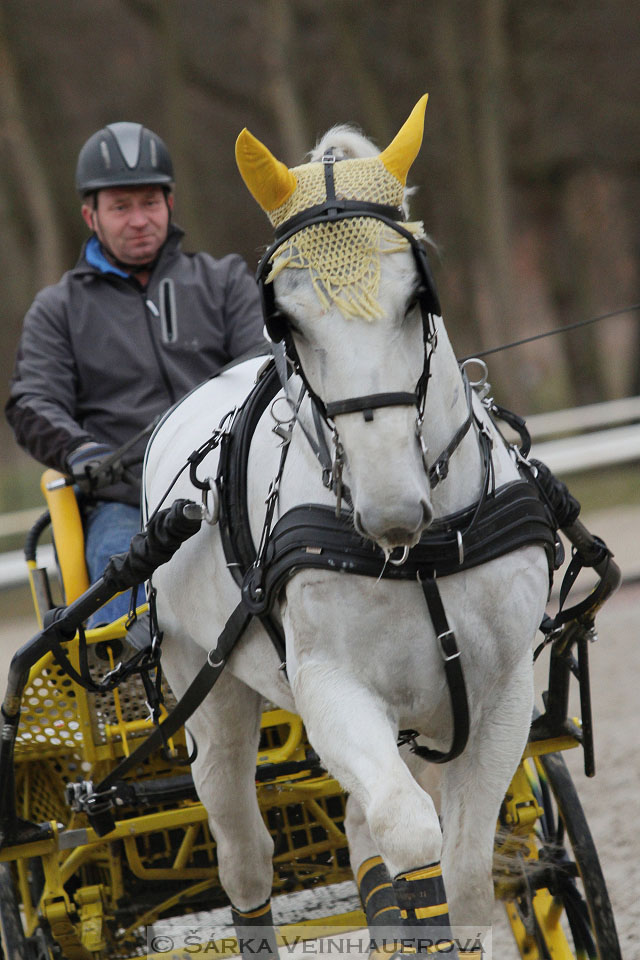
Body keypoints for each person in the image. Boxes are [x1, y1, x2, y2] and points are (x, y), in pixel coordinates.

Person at [6, 122, 265, 630]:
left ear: (170, 203)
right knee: (119, 576)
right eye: (121, 207)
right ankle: (143, 686)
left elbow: (262, 367)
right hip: (125, 503)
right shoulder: (58, 310)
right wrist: (82, 452)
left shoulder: (226, 282)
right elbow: (32, 402)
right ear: (91, 216)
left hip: (235, 486)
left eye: (149, 202)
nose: (139, 220)